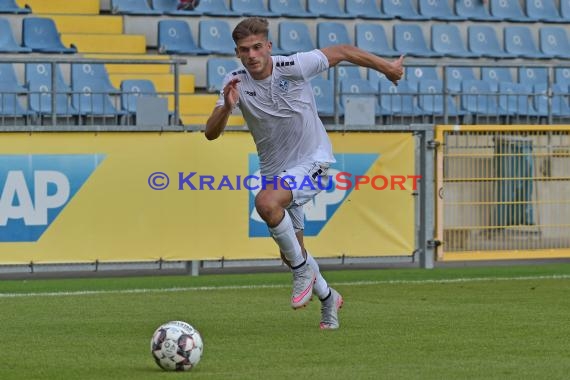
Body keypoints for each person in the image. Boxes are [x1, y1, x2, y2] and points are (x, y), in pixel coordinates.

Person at [205, 17, 404, 330]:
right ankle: (328, 299)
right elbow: (210, 134)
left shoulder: (293, 66)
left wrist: (388, 68)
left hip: (312, 161)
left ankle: (302, 272)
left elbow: (343, 51)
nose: (252, 55)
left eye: (258, 47)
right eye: (245, 50)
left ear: (268, 46)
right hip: (275, 172)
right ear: (237, 53)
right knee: (293, 252)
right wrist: (226, 108)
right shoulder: (235, 82)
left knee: (267, 204)